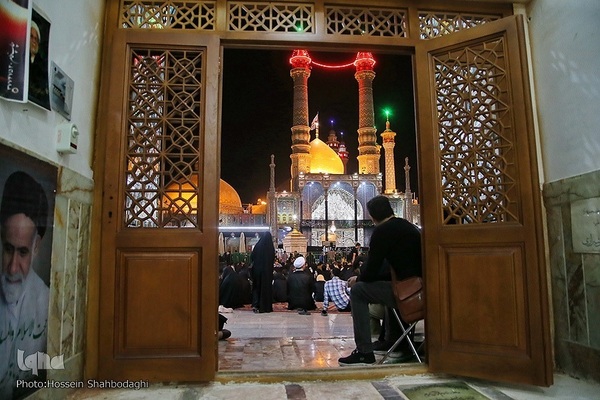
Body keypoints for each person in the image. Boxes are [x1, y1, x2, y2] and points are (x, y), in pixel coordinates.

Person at [338, 195, 422, 366]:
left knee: (359, 291)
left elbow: (371, 270)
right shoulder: (409, 226)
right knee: (384, 286)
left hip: (408, 294)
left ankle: (364, 351)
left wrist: (358, 279)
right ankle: (390, 339)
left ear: (372, 216)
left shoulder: (382, 231)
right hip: (422, 289)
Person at [0, 171, 50, 398]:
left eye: (22, 252)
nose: (12, 267)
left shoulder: (46, 302)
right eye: (8, 249)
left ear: (36, 246)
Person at [250, 231, 275, 313]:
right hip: (267, 272)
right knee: (265, 288)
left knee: (257, 287)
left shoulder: (258, 246)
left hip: (257, 271)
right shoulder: (270, 248)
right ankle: (265, 306)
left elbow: (252, 256)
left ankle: (255, 304)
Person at [28, 20, 50, 109]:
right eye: (31, 36)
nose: (34, 41)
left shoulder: (41, 67)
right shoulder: (19, 59)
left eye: (36, 39)